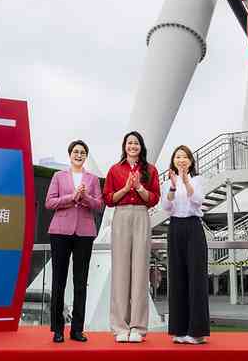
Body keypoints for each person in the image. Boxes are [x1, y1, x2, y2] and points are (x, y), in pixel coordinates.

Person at [103, 131, 160, 343]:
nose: (133, 146)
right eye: (129, 143)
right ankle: (120, 327)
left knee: (140, 271)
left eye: (136, 143)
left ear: (141, 146)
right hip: (121, 214)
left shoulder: (150, 170)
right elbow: (108, 198)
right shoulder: (115, 170)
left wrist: (138, 188)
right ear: (124, 146)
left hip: (141, 215)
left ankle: (138, 327)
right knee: (120, 271)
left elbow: (154, 198)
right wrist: (126, 188)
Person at [44, 139, 103, 343]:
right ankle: (57, 329)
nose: (79, 155)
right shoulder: (58, 176)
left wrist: (85, 197)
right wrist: (72, 197)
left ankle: (77, 329)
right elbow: (49, 202)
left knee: (80, 282)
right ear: (70, 155)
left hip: (84, 233)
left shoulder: (93, 179)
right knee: (58, 281)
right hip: (60, 232)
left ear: (86, 156)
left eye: (83, 152)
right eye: (76, 152)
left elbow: (98, 204)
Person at [161, 144, 210, 344]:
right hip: (175, 227)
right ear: (173, 161)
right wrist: (173, 186)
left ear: (190, 161)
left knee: (196, 277)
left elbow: (198, 201)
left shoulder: (198, 180)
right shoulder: (168, 182)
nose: (181, 160)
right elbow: (166, 206)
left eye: (185, 157)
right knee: (177, 276)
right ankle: (179, 330)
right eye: (178, 157)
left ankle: (196, 332)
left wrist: (186, 181)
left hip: (193, 227)